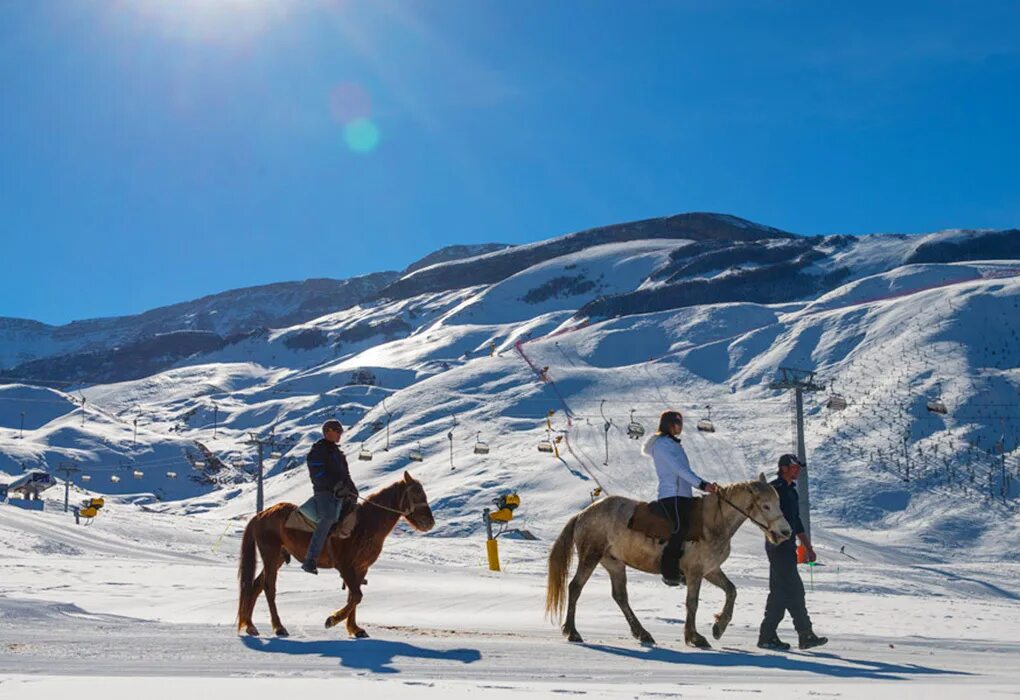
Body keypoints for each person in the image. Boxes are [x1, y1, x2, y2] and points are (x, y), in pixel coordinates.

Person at [757, 454, 828, 650]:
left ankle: (767, 635)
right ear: (784, 468)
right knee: (795, 590)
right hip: (777, 546)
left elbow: (796, 522)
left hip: (788, 548)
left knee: (780, 593)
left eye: (798, 467)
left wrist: (808, 547)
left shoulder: (792, 492)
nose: (798, 470)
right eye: (795, 467)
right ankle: (805, 634)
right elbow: (762, 515)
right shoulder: (774, 490)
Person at [642, 410, 718, 586]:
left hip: (683, 495)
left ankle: (686, 565)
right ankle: (668, 571)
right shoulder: (662, 445)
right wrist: (702, 484)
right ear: (669, 425)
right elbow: (679, 470)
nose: (681, 427)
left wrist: (701, 485)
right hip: (672, 495)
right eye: (678, 423)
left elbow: (685, 472)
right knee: (680, 528)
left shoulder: (674, 445)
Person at [302, 419, 359, 575]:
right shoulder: (318, 451)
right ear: (328, 432)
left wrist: (352, 490)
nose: (340, 434)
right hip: (324, 493)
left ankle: (349, 563)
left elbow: (346, 475)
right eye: (338, 431)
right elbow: (317, 473)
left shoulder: (338, 453)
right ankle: (310, 559)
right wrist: (335, 486)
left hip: (341, 492)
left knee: (353, 517)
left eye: (341, 431)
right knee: (327, 518)